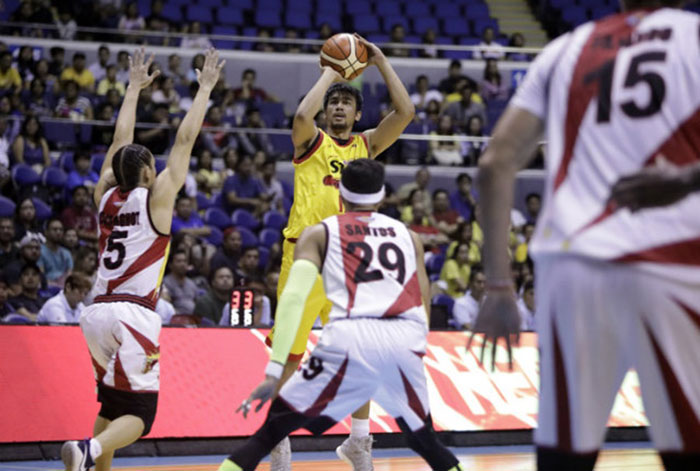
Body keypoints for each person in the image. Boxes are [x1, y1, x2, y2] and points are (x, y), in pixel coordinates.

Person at [469, 2, 700, 471]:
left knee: (565, 455)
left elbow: (494, 165)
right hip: (669, 257)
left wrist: (498, 285)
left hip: (571, 266)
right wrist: (684, 180)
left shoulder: (564, 50)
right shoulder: (694, 36)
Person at [220, 159, 464, 471]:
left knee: (265, 436)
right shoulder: (409, 236)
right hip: (402, 339)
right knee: (427, 442)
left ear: (340, 192)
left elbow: (294, 299)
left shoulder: (320, 232)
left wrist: (274, 369)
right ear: (380, 196)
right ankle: (359, 444)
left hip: (351, 336)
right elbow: (423, 296)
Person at [60, 47, 223, 471]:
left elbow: (119, 143)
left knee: (113, 405)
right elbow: (185, 140)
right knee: (140, 416)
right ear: (150, 173)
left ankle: (94, 463)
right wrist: (204, 88)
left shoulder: (103, 197)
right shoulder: (158, 199)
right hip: (133, 314)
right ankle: (88, 451)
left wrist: (132, 89)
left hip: (95, 313)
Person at [265, 34, 415, 470]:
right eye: (334, 103)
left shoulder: (366, 145)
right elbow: (300, 113)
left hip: (350, 263)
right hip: (304, 259)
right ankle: (278, 438)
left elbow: (405, 113)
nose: (338, 108)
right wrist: (332, 69)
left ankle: (359, 442)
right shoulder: (309, 140)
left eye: (346, 103)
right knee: (289, 358)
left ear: (357, 112)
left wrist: (382, 60)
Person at [38, 218, 73, 287]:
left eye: (61, 230)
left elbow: (69, 274)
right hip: (46, 287)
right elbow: (40, 275)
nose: (58, 232)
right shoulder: (39, 251)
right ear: (46, 232)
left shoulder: (67, 253)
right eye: (55, 229)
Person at [162, 250, 199, 315]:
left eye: (185, 261)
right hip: (175, 319)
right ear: (170, 265)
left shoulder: (191, 283)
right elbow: (166, 306)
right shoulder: (166, 282)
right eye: (179, 261)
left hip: (193, 319)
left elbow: (197, 303)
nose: (183, 264)